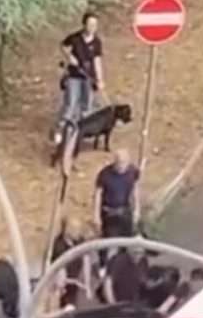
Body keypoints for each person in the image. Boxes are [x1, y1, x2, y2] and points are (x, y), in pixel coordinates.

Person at [56, 13, 105, 142]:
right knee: (70, 103)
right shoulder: (75, 38)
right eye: (89, 24)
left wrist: (100, 79)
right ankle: (60, 131)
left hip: (88, 78)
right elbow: (63, 46)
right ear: (84, 25)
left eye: (94, 24)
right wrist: (69, 57)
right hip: (74, 75)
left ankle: (80, 132)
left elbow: (97, 61)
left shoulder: (97, 42)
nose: (92, 27)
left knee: (86, 106)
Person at [94, 149, 140, 252]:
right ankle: (103, 264)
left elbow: (135, 189)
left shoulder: (133, 172)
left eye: (123, 163)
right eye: (119, 162)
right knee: (106, 241)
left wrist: (137, 209)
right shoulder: (105, 174)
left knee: (126, 241)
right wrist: (96, 215)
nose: (121, 166)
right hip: (109, 212)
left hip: (124, 210)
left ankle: (122, 262)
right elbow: (98, 194)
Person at [51, 217, 95, 309]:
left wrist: (87, 285)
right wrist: (64, 284)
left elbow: (86, 260)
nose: (78, 231)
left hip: (75, 278)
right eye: (75, 229)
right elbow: (59, 269)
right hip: (62, 280)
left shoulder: (79, 241)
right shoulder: (59, 245)